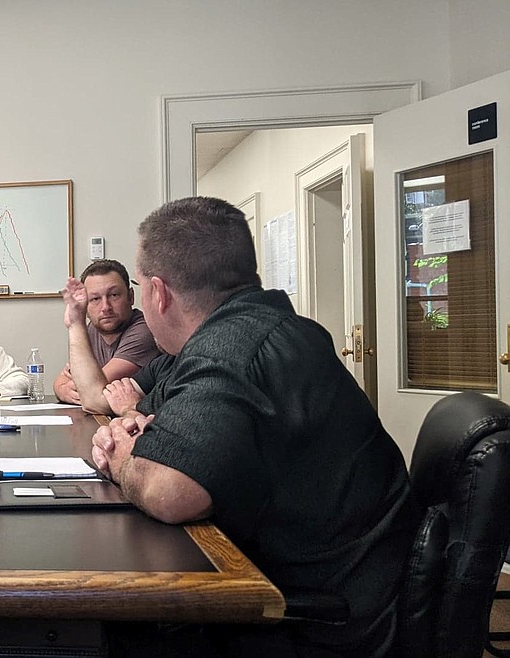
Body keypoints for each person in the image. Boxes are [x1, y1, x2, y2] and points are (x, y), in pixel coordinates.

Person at [90, 197, 416, 657]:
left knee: (103, 629)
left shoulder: (232, 350)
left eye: (139, 286)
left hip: (314, 622)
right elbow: (157, 417)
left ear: (158, 293)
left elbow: (170, 493)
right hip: (338, 586)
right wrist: (135, 427)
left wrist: (122, 458)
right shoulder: (270, 327)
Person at [56, 259, 159, 413]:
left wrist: (74, 386)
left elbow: (93, 392)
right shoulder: (92, 329)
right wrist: (63, 390)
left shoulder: (144, 330)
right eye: (95, 299)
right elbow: (60, 381)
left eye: (114, 295)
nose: (105, 307)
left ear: (130, 296)